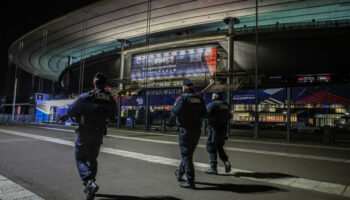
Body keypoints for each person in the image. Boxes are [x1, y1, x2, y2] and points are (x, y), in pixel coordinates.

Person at [59, 72, 116, 199]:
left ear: (94, 83)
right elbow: (113, 115)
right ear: (105, 84)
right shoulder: (110, 99)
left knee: (80, 158)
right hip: (99, 132)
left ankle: (89, 182)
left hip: (85, 131)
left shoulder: (86, 96)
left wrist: (65, 117)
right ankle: (90, 185)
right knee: (92, 159)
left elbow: (71, 110)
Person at [172, 79, 207, 189]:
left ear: (184, 87)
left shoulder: (182, 98)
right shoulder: (199, 99)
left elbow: (175, 111)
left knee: (186, 155)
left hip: (185, 129)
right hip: (196, 130)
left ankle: (190, 180)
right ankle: (179, 172)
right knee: (189, 154)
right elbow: (205, 114)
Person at [205, 90, 232, 175]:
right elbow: (230, 116)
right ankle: (226, 161)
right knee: (220, 146)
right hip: (223, 129)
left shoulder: (213, 104)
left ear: (215, 96)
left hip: (214, 129)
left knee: (211, 146)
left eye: (213, 96)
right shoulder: (226, 105)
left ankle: (213, 168)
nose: (212, 97)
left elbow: (206, 114)